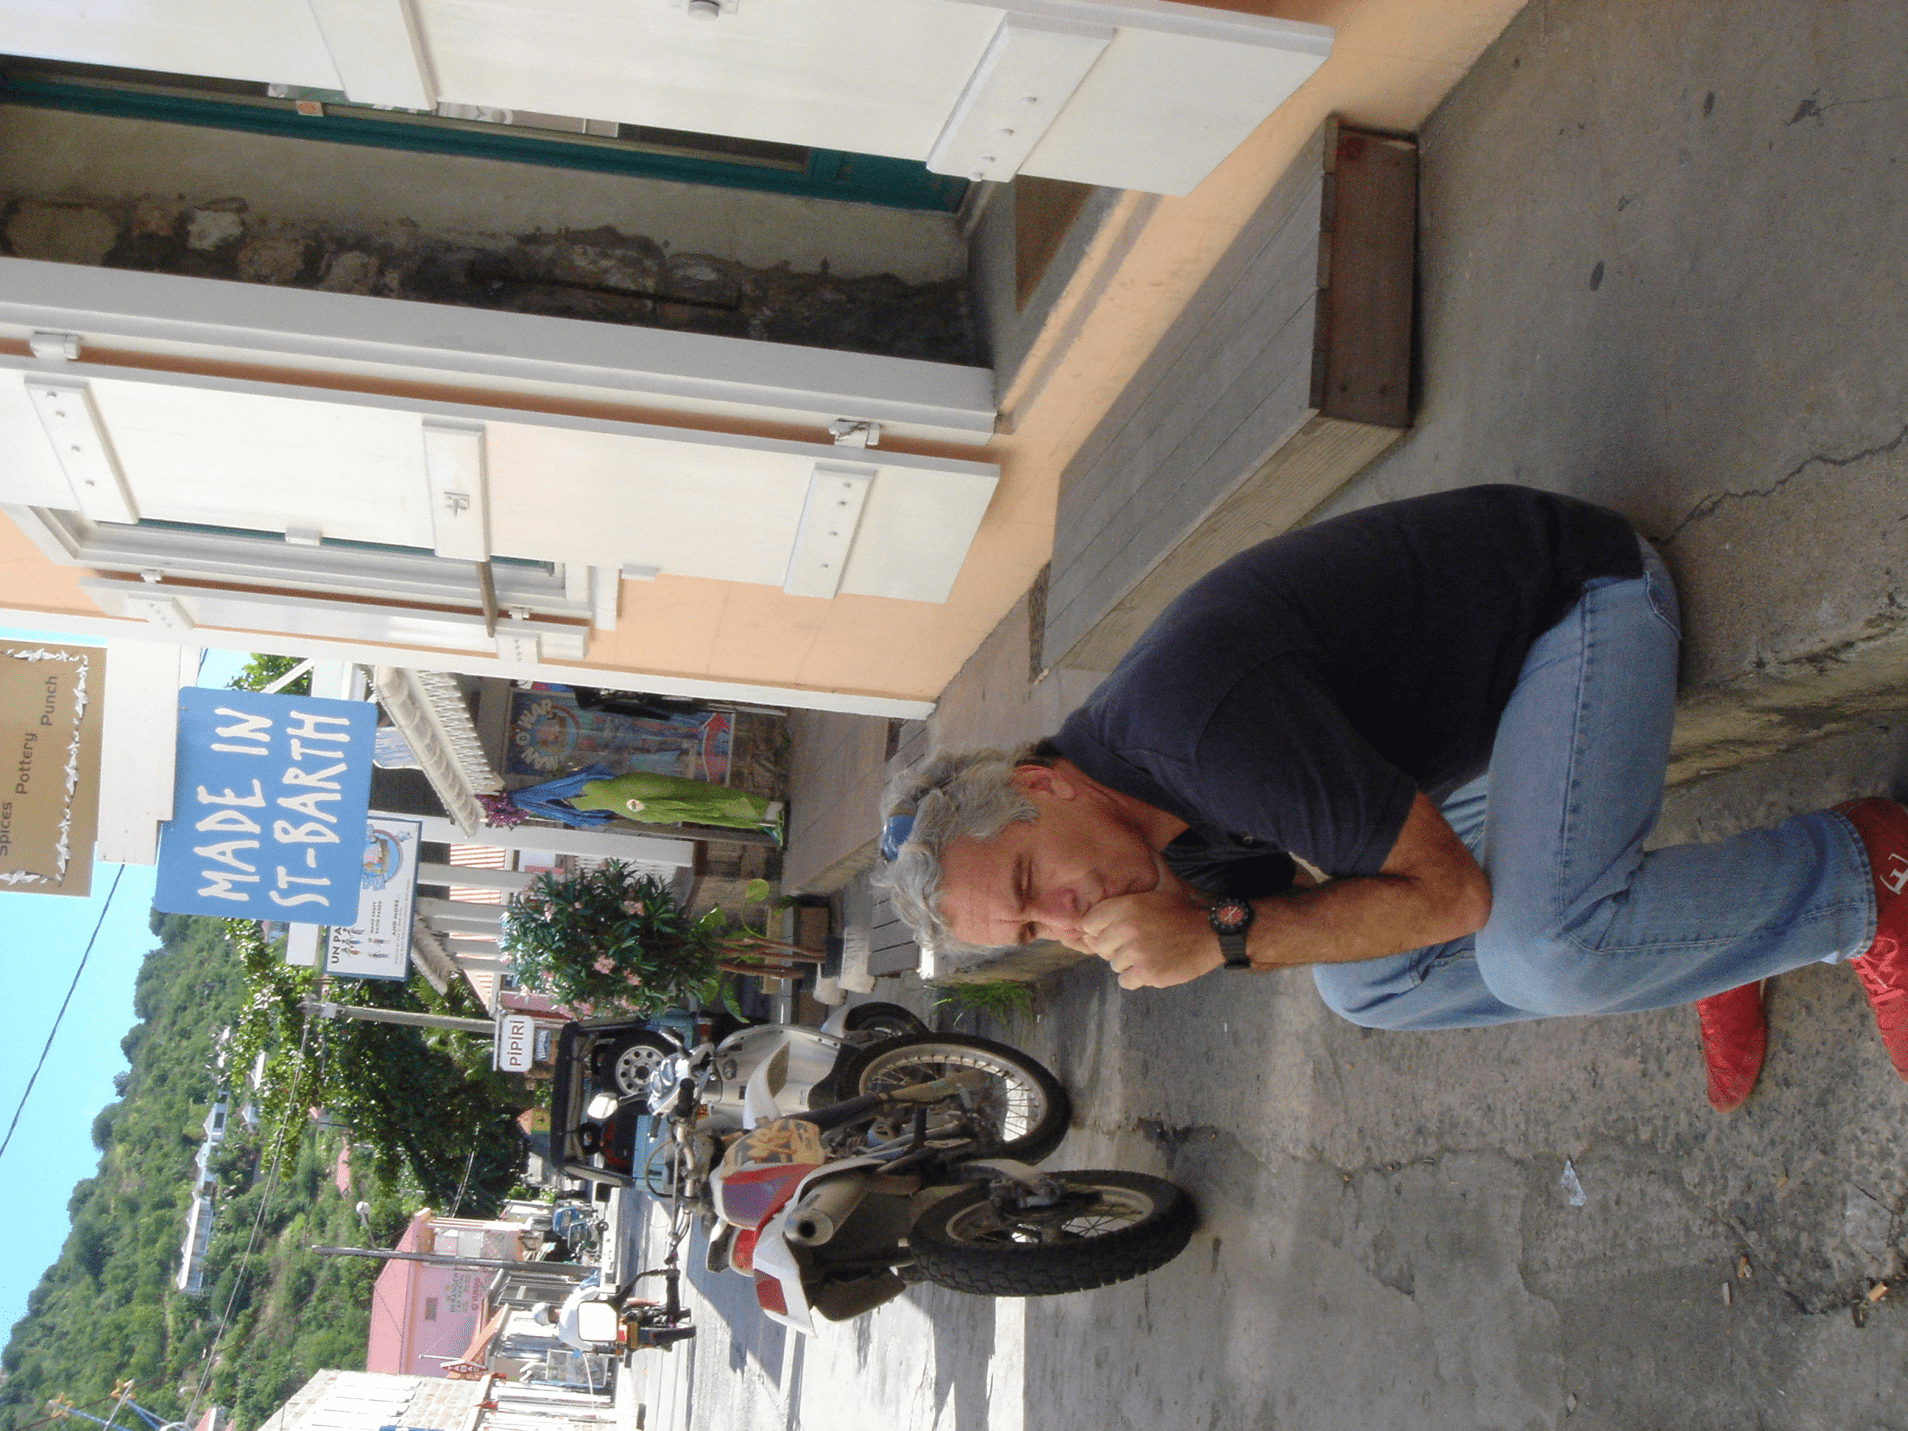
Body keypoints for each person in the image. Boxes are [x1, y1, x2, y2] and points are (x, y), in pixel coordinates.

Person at [876, 485, 1908, 1112]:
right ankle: (1712, 935)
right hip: (1486, 735)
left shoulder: (1198, 732)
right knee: (1368, 985)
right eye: (1030, 928)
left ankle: (1867, 874)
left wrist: (1214, 942)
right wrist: (1203, 922)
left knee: (1547, 952)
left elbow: (1448, 897)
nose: (1066, 919)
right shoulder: (1134, 812)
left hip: (1580, 608)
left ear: (1042, 783)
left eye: (1030, 879)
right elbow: (1313, 910)